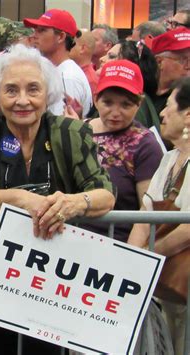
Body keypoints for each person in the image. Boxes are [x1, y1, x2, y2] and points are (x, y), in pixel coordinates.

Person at [0, 44, 115, 355]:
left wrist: (72, 203)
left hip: (54, 280)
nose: (22, 100)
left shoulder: (69, 132)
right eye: (11, 90)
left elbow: (104, 194)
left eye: (33, 89)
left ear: (48, 93)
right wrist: (25, 199)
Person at [128, 77, 190, 355]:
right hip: (163, 285)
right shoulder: (168, 158)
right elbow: (146, 211)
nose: (161, 113)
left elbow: (188, 228)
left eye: (168, 106)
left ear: (188, 115)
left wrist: (148, 255)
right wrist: (133, 257)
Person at [83, 60, 163, 242]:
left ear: (139, 103)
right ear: (96, 99)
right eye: (108, 102)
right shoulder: (77, 131)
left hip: (116, 244)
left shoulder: (145, 145)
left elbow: (147, 210)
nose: (115, 112)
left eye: (125, 105)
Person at [24, 9, 93, 117]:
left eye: (42, 30)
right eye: (35, 30)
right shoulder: (60, 71)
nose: (34, 35)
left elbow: (60, 127)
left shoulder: (66, 77)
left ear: (60, 37)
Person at [100, 39, 160, 129]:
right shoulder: (141, 99)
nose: (101, 59)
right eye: (108, 103)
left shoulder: (136, 103)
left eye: (111, 56)